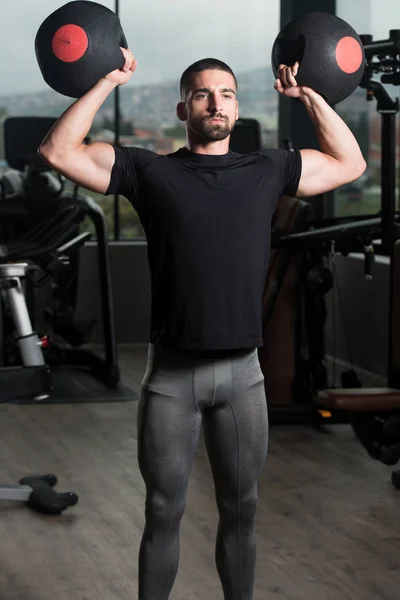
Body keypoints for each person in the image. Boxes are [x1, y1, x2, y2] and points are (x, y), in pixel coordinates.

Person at [38, 48, 366, 600]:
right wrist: (108, 80)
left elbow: (350, 163)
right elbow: (57, 150)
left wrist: (308, 95)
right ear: (182, 108)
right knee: (164, 511)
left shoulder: (268, 169)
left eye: (228, 94)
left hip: (244, 381)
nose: (216, 103)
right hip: (171, 380)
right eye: (203, 94)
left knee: (242, 509)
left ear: (237, 109)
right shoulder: (150, 171)